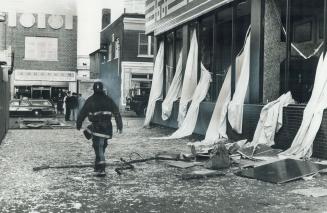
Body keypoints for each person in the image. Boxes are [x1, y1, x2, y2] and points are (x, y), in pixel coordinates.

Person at [76, 81, 123, 177]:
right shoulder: (108, 99)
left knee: (98, 147)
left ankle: (101, 169)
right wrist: (119, 125)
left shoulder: (90, 100)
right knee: (102, 146)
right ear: (102, 89)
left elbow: (82, 113)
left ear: (93, 89)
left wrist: (78, 124)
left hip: (97, 128)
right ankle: (98, 166)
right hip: (107, 128)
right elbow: (117, 113)